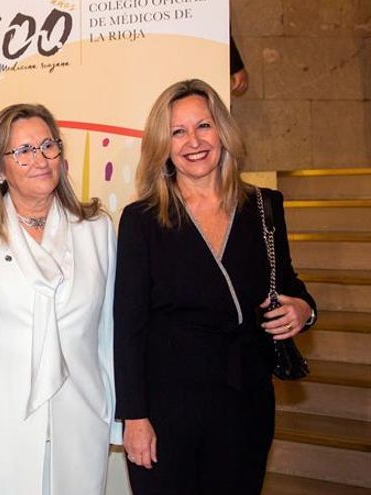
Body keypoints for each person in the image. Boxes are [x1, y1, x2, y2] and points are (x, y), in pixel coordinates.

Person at [114, 79, 316, 494]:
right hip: (167, 411)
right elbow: (128, 327)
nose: (194, 141)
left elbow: (288, 283)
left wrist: (304, 310)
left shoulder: (263, 206)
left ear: (222, 131)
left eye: (203, 126)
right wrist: (134, 417)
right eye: (178, 131)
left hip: (244, 403)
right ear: (163, 145)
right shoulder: (142, 219)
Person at [0, 103, 120, 495]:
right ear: (0, 169)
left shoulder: (96, 229)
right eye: (23, 151)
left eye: (48, 146)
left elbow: (107, 333)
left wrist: (114, 417)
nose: (40, 159)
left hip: (80, 419)